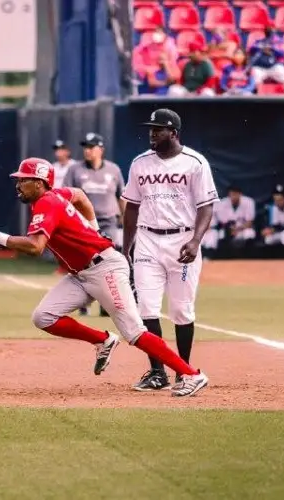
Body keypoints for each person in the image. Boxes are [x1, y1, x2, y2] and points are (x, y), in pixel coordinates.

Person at [0, 157, 209, 397]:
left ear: (39, 183)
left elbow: (36, 247)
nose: (18, 184)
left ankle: (191, 374)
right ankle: (102, 341)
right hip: (82, 274)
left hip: (104, 269)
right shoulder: (53, 196)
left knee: (134, 332)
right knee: (43, 317)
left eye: (23, 180)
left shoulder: (47, 202)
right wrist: (94, 228)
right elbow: (79, 195)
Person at [122, 108, 219, 392]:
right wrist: (126, 249)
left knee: (181, 310)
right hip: (148, 240)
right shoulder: (140, 163)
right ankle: (157, 372)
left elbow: (206, 206)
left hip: (183, 239)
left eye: (158, 129)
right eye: (150, 129)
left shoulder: (194, 163)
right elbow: (132, 208)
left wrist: (195, 241)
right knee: (145, 309)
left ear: (174, 132)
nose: (152, 133)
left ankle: (184, 372)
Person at [63, 132, 126, 317]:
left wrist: (124, 217)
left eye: (91, 147)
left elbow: (121, 196)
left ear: (101, 149)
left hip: (108, 222)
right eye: (85, 147)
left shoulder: (113, 170)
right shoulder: (75, 169)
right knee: (83, 262)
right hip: (82, 224)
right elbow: (66, 196)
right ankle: (83, 301)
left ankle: (107, 305)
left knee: (107, 262)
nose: (87, 151)